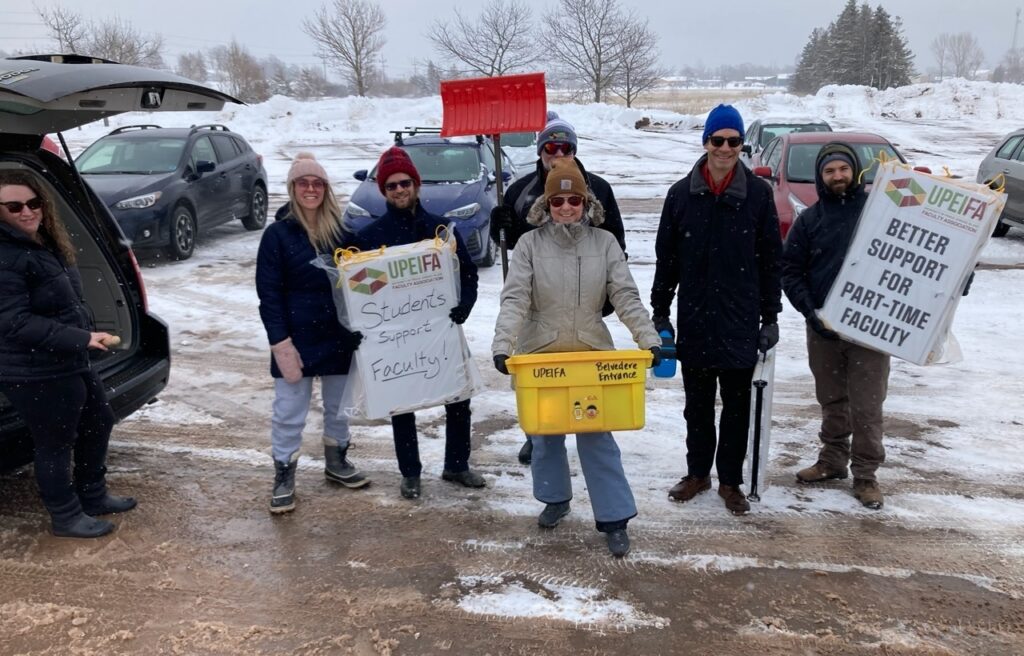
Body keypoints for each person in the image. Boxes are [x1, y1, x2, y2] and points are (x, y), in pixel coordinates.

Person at [491, 158, 661, 558]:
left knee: (596, 435)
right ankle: (555, 499)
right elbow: (514, 297)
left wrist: (647, 337)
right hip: (541, 353)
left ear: (586, 202)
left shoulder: (605, 243)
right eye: (557, 200)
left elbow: (624, 295)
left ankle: (614, 517)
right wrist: (503, 344)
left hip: (589, 354)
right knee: (545, 436)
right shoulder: (529, 246)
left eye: (574, 199)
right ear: (546, 204)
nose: (566, 207)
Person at [650, 104, 783, 516]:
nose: (725, 148)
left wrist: (770, 317)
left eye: (734, 141)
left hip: (740, 320)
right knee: (698, 406)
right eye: (717, 140)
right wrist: (660, 311)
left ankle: (730, 481)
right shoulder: (680, 194)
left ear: (742, 145)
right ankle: (697, 473)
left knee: (738, 407)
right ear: (705, 142)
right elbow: (666, 259)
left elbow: (770, 261)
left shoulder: (759, 196)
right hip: (695, 317)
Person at [0, 171, 137, 538]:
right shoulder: (6, 256)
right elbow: (13, 323)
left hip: (66, 357)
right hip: (31, 368)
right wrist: (79, 337)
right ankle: (65, 516)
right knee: (55, 442)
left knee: (98, 421)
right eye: (14, 206)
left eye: (34, 203)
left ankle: (93, 495)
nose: (27, 212)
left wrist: (80, 338)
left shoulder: (39, 243)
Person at [490, 111, 627, 466]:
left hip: (586, 304)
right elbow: (518, 257)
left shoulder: (598, 188)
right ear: (540, 150)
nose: (557, 152)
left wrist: (606, 300)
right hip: (542, 308)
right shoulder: (520, 191)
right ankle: (538, 441)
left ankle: (610, 507)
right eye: (550, 145)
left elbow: (613, 244)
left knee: (592, 419)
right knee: (545, 413)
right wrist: (499, 228)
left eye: (565, 146)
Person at [352, 146, 485, 500]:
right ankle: (410, 472)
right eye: (392, 185)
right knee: (402, 402)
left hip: (441, 327)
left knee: (458, 395)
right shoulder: (370, 237)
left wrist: (464, 305)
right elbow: (357, 286)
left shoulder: (440, 229)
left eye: (405, 183)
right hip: (397, 337)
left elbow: (468, 272)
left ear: (416, 184)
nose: (399, 190)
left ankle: (456, 464)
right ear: (383, 190)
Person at [256, 152, 369, 515]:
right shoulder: (277, 236)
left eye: (316, 183)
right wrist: (279, 342)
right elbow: (268, 294)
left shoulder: (341, 233)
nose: (310, 189)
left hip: (337, 334)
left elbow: (367, 275)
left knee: (338, 407)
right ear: (292, 189)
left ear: (325, 189)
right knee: (289, 411)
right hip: (295, 337)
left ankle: (337, 461)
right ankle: (284, 474)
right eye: (303, 183)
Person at [780, 142, 886, 509]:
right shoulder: (810, 220)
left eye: (843, 169)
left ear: (854, 172)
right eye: (829, 171)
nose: (837, 176)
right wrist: (811, 311)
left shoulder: (878, 213)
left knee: (867, 405)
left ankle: (867, 475)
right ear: (821, 177)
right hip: (824, 329)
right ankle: (832, 461)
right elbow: (790, 271)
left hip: (871, 330)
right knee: (832, 399)